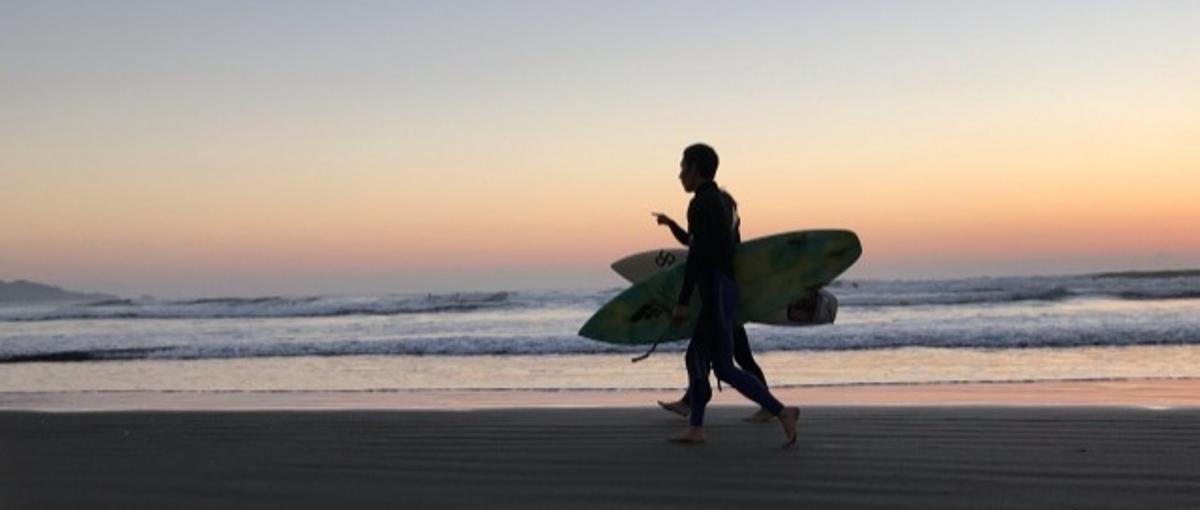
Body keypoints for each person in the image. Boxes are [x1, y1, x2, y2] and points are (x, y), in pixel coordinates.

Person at [664, 143, 799, 447]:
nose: (679, 175)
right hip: (726, 286)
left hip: (714, 287)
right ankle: (702, 425)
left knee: (701, 358)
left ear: (696, 169)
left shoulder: (700, 204)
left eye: (683, 167)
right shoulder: (726, 205)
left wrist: (683, 301)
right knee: (718, 363)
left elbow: (697, 255)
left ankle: (778, 411)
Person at [652, 209, 774, 423]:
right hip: (724, 303)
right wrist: (671, 223)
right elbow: (691, 240)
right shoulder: (723, 237)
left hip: (723, 304)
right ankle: (690, 402)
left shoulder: (726, 241)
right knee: (718, 356)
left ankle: (772, 407)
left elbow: (694, 245)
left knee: (727, 358)